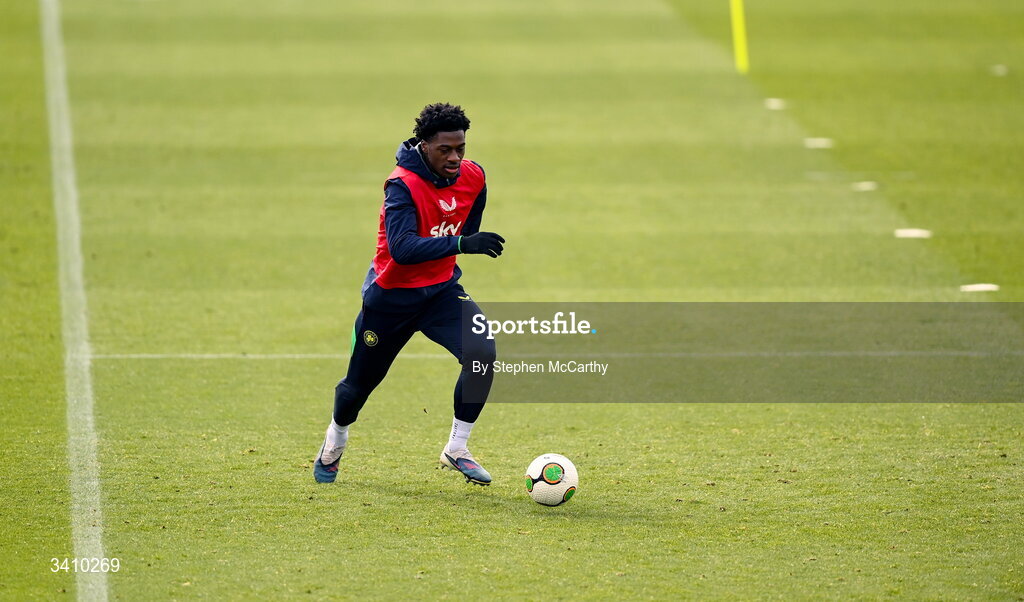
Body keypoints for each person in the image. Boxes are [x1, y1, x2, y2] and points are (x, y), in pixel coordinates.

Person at [313, 103, 505, 486]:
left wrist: (459, 242)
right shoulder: (402, 185)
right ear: (424, 145)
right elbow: (402, 248)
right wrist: (463, 243)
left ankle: (457, 448)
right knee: (357, 387)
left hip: (441, 294)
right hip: (391, 299)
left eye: (460, 148)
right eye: (444, 150)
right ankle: (334, 441)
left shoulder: (474, 176)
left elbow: (467, 214)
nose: (454, 157)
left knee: (483, 353)